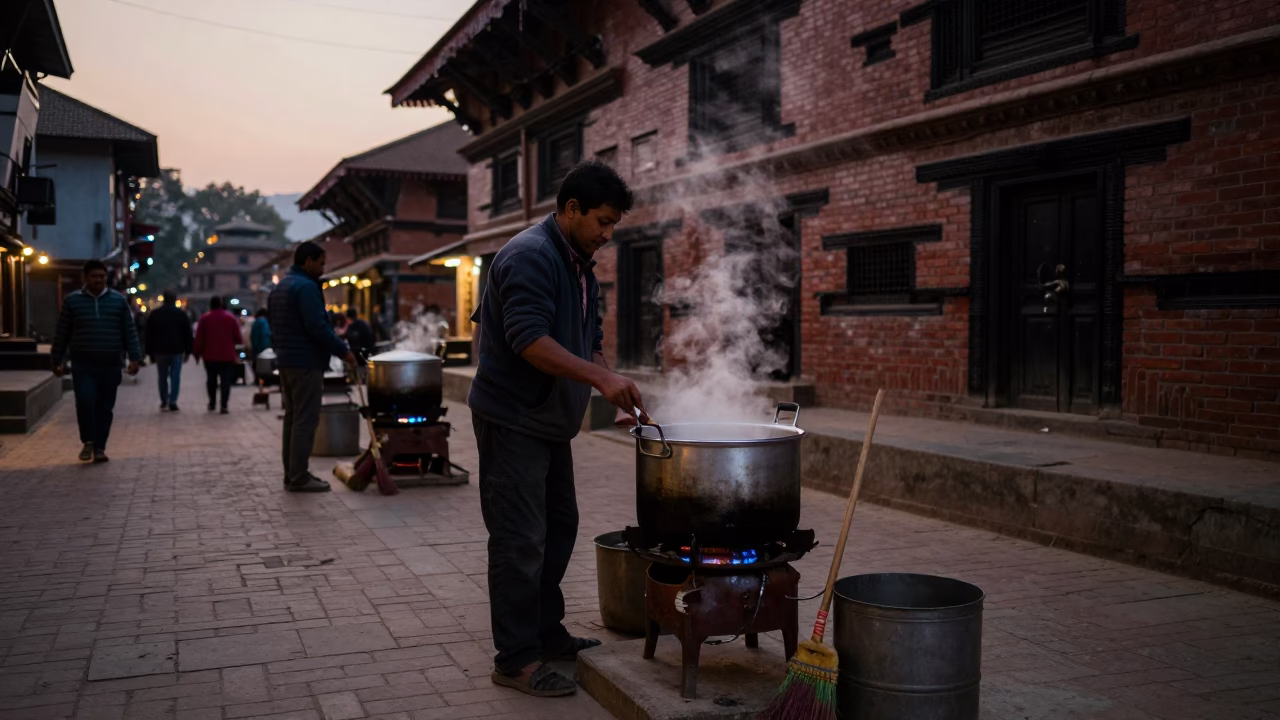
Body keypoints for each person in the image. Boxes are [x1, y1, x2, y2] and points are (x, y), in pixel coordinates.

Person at [468, 160, 645, 697]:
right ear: (572, 210)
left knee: (558, 528)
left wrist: (606, 383)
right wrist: (599, 376)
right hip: (513, 418)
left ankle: (545, 632)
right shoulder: (530, 256)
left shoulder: (580, 263)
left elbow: (586, 339)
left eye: (614, 225)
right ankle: (516, 659)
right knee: (520, 540)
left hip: (549, 423)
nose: (608, 234)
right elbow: (528, 339)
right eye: (603, 222)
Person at [268, 241, 355, 493]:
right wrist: (344, 352)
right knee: (305, 419)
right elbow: (318, 328)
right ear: (307, 261)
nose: (322, 267)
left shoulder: (281, 287)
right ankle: (299, 475)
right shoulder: (306, 288)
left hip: (286, 360)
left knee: (293, 418)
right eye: (320, 262)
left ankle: (292, 473)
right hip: (305, 362)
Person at [50, 259, 141, 463]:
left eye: (101, 276)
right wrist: (57, 359)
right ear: (85, 278)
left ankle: (100, 447)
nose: (98, 279)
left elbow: (129, 331)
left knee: (105, 407)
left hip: (110, 364)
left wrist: (135, 358)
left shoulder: (118, 301)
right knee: (84, 401)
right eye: (94, 276)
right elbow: (62, 332)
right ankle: (88, 441)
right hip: (83, 364)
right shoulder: (73, 301)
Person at [193, 296, 243, 414]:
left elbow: (199, 338)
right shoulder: (230, 318)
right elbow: (238, 338)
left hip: (210, 356)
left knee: (211, 380)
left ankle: (212, 402)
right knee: (226, 381)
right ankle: (224, 405)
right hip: (227, 355)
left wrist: (197, 354)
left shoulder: (204, 319)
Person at [145, 290, 193, 412]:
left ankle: (164, 399)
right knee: (175, 376)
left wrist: (149, 352)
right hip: (177, 349)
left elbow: (149, 334)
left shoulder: (155, 314)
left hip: (160, 350)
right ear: (175, 299)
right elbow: (187, 333)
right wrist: (188, 351)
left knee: (162, 376)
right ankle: (173, 400)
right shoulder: (181, 314)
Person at [249, 308, 272, 384]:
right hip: (263, 347)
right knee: (263, 366)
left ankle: (258, 380)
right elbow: (265, 334)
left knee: (256, 365)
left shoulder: (256, 322)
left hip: (256, 347)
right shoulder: (264, 322)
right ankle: (263, 381)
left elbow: (252, 336)